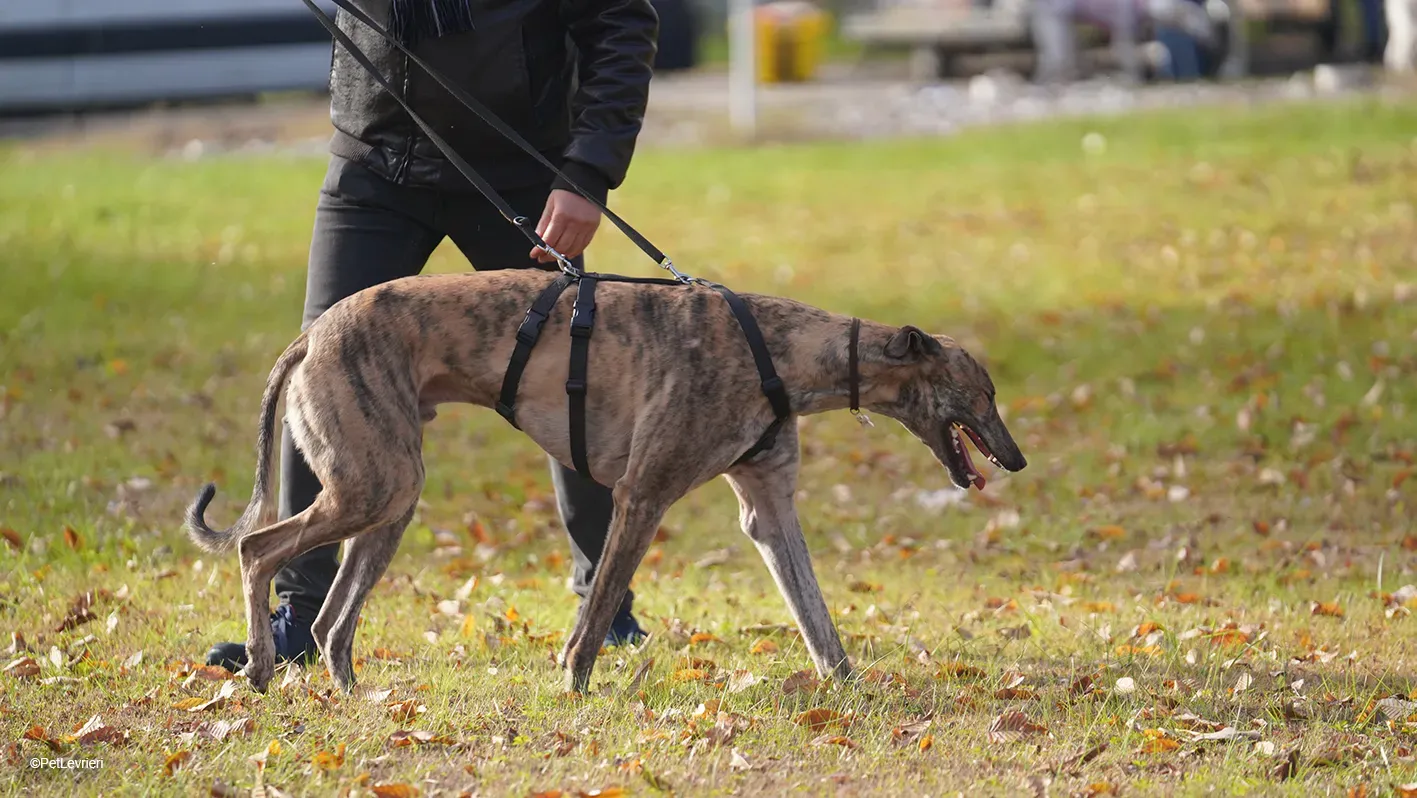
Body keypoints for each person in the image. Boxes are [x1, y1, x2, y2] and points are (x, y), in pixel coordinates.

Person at [205, 0, 659, 672]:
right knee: (328, 368)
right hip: (375, 164)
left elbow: (620, 22)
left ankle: (607, 602)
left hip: (520, 170)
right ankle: (300, 614)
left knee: (574, 383)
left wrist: (587, 173)